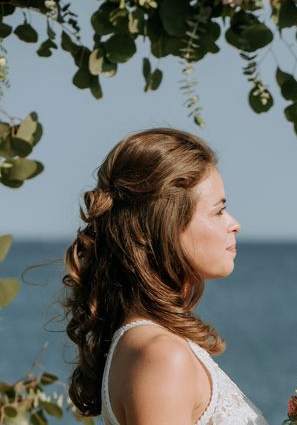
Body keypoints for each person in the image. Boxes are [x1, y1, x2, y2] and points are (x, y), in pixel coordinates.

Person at [62, 128, 268, 425]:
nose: (234, 224)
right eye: (218, 210)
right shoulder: (161, 357)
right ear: (168, 226)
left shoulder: (152, 344)